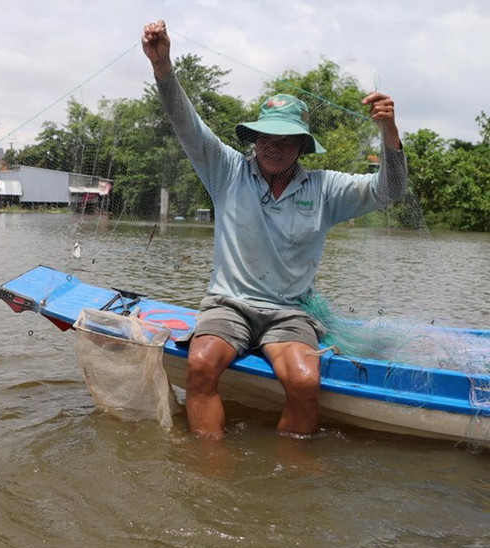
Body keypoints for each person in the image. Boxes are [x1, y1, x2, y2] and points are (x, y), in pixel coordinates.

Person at [141, 20, 407, 438]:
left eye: (286, 139)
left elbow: (390, 190)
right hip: (228, 305)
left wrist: (388, 132)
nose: (274, 145)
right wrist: (162, 66)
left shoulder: (325, 189)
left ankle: (290, 474)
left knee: (304, 382)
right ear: (255, 137)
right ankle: (209, 469)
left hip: (290, 312)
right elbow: (185, 123)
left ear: (302, 145)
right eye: (266, 136)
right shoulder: (226, 171)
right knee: (200, 363)